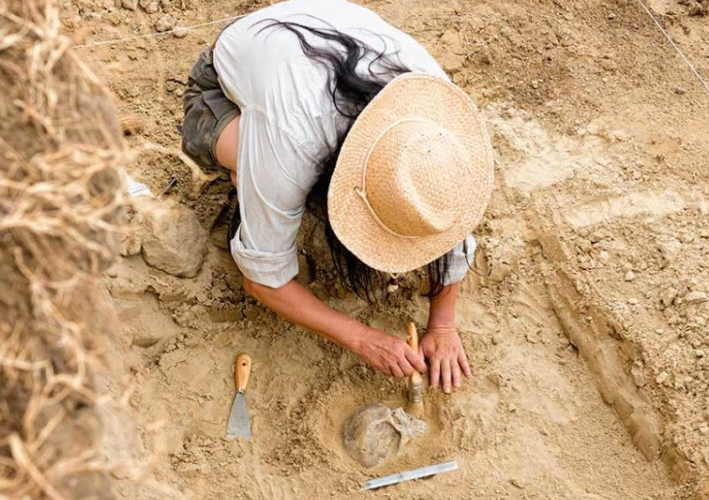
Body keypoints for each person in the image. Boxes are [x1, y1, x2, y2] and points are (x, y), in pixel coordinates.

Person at [179, 0, 494, 393]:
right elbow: (263, 282)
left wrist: (443, 324)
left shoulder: (434, 118)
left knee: (302, 179)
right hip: (226, 76)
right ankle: (246, 173)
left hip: (313, 40)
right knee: (260, 170)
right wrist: (362, 338)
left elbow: (449, 219)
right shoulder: (293, 146)